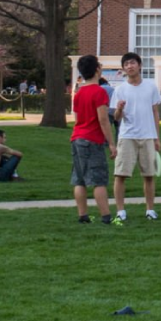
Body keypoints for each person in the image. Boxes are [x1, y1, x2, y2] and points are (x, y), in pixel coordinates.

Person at [111, 52, 161, 222]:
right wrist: (119, 108)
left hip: (147, 136)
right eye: (126, 64)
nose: (129, 66)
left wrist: (157, 138)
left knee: (149, 175)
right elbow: (116, 118)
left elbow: (155, 112)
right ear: (123, 69)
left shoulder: (151, 87)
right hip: (127, 136)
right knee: (120, 174)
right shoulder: (120, 90)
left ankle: (150, 209)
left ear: (139, 65)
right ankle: (120, 211)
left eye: (132, 63)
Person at [69, 54, 118, 224]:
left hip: (77, 137)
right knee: (99, 180)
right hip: (92, 140)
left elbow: (77, 118)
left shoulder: (79, 93)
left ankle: (83, 215)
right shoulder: (99, 92)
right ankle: (106, 217)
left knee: (79, 179)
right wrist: (111, 143)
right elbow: (103, 120)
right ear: (97, 70)